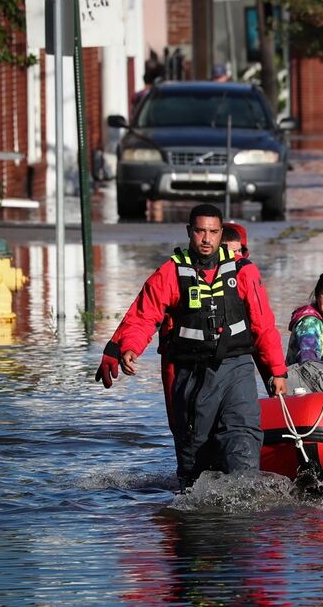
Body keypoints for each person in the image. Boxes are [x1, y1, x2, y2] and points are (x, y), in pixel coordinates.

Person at [95, 204, 288, 489]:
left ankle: (245, 503)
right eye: (200, 231)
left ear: (221, 234)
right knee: (195, 451)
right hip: (192, 374)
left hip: (237, 369)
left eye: (213, 232)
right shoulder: (170, 272)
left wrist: (277, 371)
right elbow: (144, 315)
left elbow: (263, 324)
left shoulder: (243, 271)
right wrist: (130, 348)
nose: (206, 239)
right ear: (189, 232)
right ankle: (196, 511)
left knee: (243, 435)